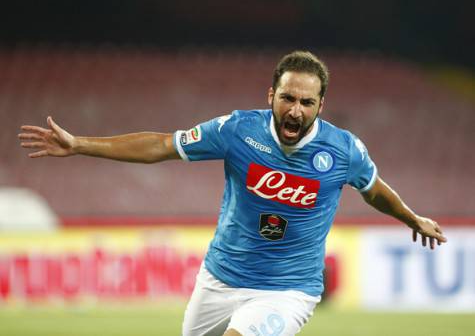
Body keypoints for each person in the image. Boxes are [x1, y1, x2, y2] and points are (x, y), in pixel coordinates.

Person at [19, 51, 447, 336]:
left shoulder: (344, 150)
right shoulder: (237, 131)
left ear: (322, 105)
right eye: (287, 98)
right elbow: (162, 145)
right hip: (219, 279)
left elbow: (373, 190)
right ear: (271, 96)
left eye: (307, 102)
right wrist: (80, 145)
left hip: (288, 289)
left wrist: (413, 218)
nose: (295, 110)